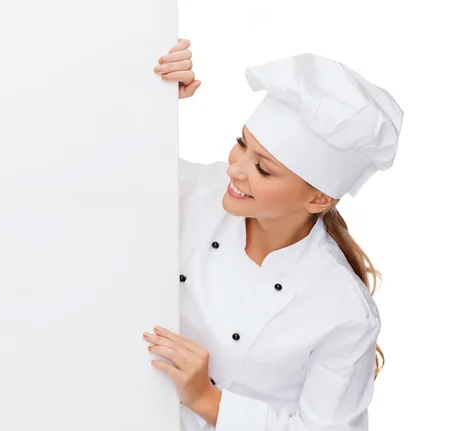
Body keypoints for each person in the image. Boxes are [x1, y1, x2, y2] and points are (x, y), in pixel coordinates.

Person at [142, 39, 404, 431]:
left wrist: (207, 399)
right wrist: (153, 99)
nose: (235, 170)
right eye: (241, 144)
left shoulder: (343, 310)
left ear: (318, 198)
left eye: (263, 169)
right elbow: (100, 175)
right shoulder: (196, 192)